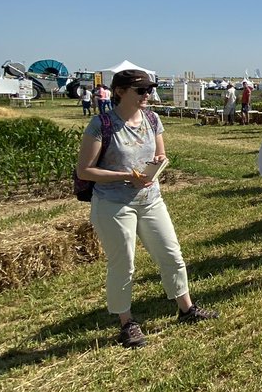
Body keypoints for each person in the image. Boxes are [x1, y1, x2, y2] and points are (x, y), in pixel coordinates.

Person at [76, 68, 218, 348]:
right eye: (140, 90)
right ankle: (126, 323)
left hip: (151, 199)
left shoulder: (152, 119)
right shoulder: (101, 124)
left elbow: (159, 154)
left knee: (171, 254)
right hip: (114, 204)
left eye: (149, 89)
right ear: (120, 92)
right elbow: (85, 171)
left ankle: (186, 308)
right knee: (124, 264)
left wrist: (158, 163)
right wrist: (127, 176)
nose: (147, 95)